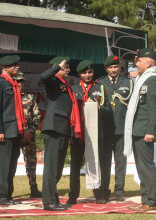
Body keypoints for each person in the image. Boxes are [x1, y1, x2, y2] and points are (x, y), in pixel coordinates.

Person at [67, 60, 111, 205]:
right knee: (75, 165)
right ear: (79, 74)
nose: (87, 75)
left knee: (96, 164)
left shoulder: (101, 87)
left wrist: (100, 108)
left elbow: (108, 109)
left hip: (95, 133)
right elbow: (69, 112)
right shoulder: (73, 88)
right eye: (84, 72)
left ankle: (99, 195)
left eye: (90, 72)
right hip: (78, 133)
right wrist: (70, 133)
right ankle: (73, 196)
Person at [41, 56, 81, 211]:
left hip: (63, 128)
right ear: (56, 67)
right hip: (54, 128)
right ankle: (48, 201)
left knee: (57, 168)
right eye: (65, 67)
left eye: (68, 67)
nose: (68, 70)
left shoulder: (65, 84)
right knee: (51, 167)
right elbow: (43, 76)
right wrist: (58, 66)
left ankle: (53, 198)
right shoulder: (52, 81)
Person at [124, 48, 156, 211]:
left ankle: (151, 201)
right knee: (141, 168)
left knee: (146, 167)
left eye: (139, 61)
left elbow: (152, 108)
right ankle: (146, 199)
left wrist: (150, 131)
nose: (136, 64)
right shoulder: (142, 79)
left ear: (148, 62)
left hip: (144, 130)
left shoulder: (151, 80)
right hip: (138, 129)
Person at [0, 55, 25, 205]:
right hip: (4, 130)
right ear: (4, 67)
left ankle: (8, 195)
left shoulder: (14, 83)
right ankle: (1, 196)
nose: (17, 67)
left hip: (15, 130)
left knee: (11, 164)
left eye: (17, 65)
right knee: (3, 165)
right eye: (13, 65)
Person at [97, 55, 133, 201]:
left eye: (116, 67)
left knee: (120, 163)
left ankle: (119, 191)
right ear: (106, 68)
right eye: (111, 67)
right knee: (104, 162)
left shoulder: (128, 82)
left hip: (121, 129)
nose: (113, 70)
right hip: (105, 130)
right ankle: (104, 190)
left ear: (119, 67)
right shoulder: (100, 82)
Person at [14, 71, 42, 198]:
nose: (19, 83)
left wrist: (30, 131)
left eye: (21, 81)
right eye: (16, 81)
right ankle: (8, 190)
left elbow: (37, 115)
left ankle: (34, 188)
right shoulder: (8, 97)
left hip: (29, 135)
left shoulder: (30, 97)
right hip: (13, 136)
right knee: (10, 164)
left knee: (31, 163)